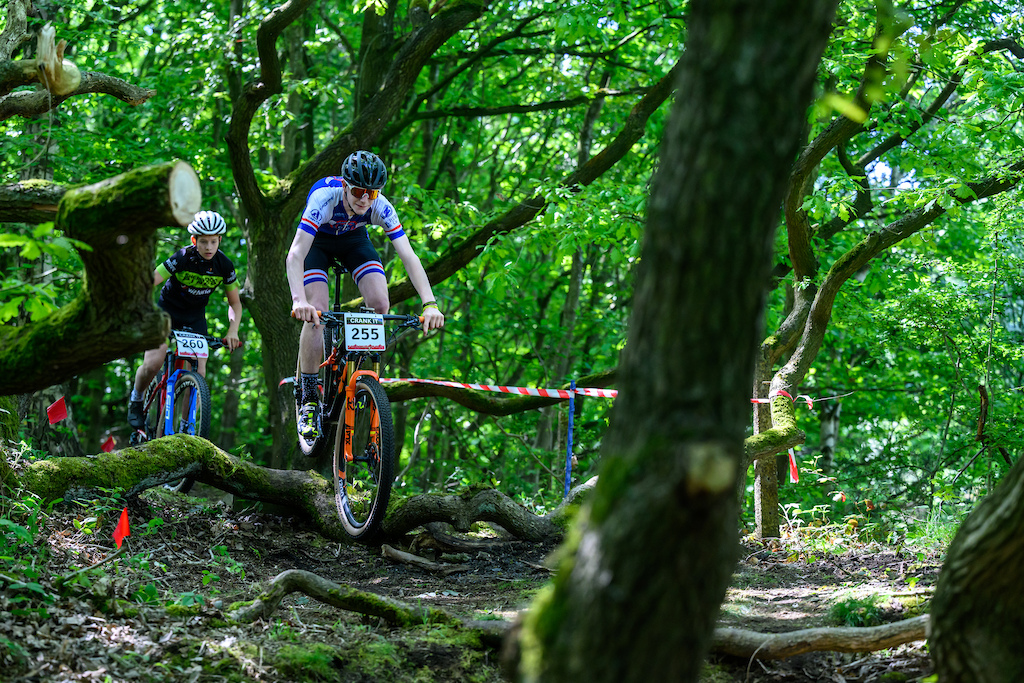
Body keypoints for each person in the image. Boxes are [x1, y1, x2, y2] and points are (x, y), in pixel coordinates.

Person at [286, 150, 445, 440]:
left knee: (381, 303)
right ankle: (309, 397)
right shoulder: (324, 199)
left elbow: (409, 257)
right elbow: (295, 254)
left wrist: (430, 303)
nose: (364, 199)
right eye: (358, 191)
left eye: (372, 193)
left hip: (353, 241)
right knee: (318, 312)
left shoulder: (379, 206)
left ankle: (355, 372)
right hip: (318, 243)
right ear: (345, 186)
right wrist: (300, 300)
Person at [127, 211, 244, 429]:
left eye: (213, 241)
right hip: (167, 313)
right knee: (153, 363)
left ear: (220, 240)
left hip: (194, 318)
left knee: (198, 372)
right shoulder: (182, 257)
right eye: (203, 242)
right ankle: (137, 397)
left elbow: (235, 303)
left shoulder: (224, 266)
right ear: (194, 240)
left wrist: (233, 330)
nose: (208, 247)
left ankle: (186, 426)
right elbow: (150, 281)